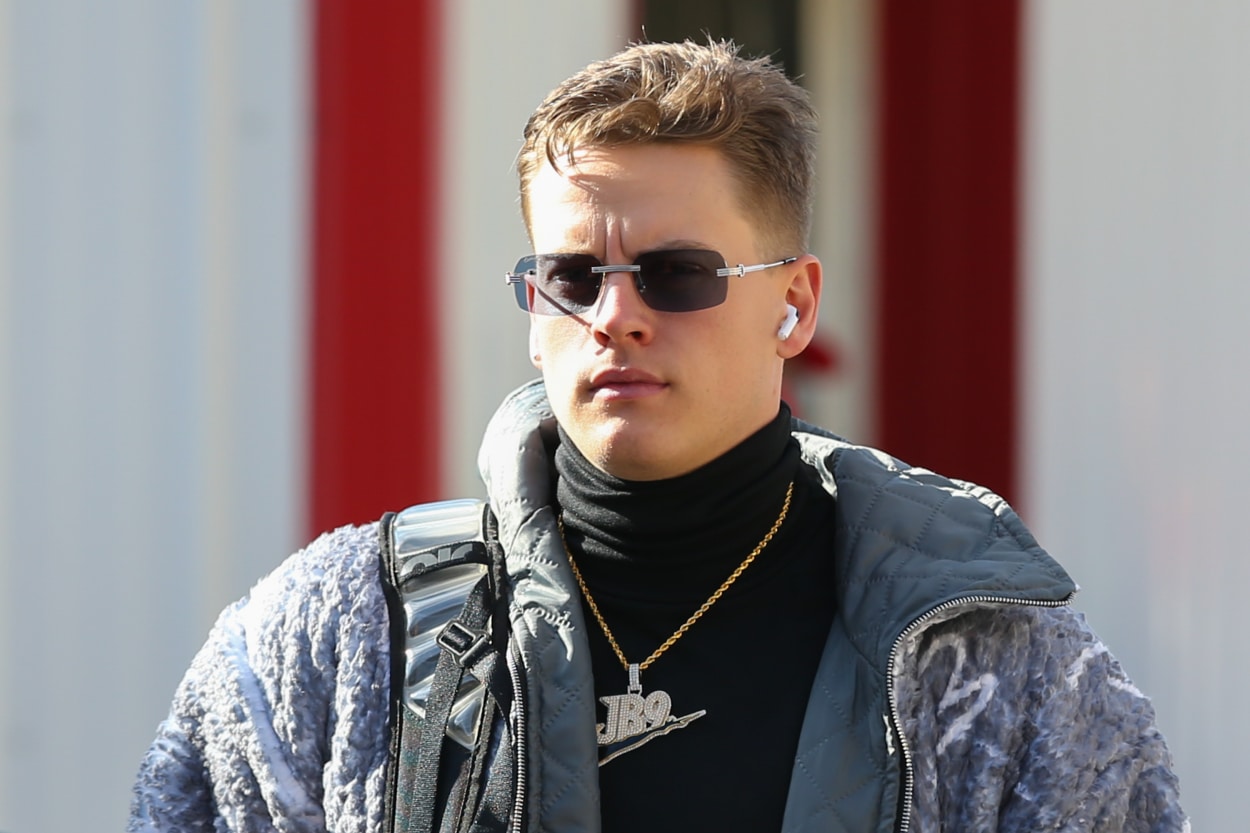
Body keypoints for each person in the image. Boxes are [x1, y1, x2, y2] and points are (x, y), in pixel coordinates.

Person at [129, 40, 1186, 833]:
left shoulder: (999, 668)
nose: (614, 317)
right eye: (573, 277)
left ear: (795, 303)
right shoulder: (330, 636)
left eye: (678, 274)